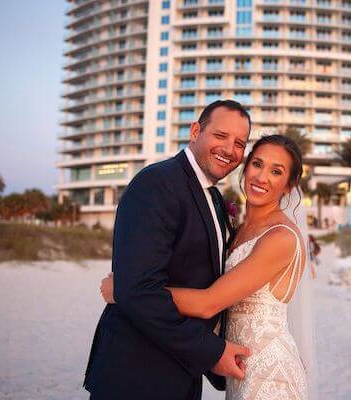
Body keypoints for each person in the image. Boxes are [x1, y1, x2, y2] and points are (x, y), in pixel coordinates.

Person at [102, 135, 311, 399]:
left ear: (289, 186)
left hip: (269, 371)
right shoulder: (238, 229)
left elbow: (208, 302)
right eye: (257, 164)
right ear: (245, 168)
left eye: (276, 171)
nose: (261, 177)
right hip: (241, 368)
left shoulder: (280, 238)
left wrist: (127, 290)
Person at [84, 100, 252, 400]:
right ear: (195, 131)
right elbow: (139, 291)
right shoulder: (158, 183)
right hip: (137, 375)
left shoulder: (212, 197)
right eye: (220, 136)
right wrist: (211, 352)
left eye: (240, 143)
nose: (230, 149)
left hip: (179, 374)